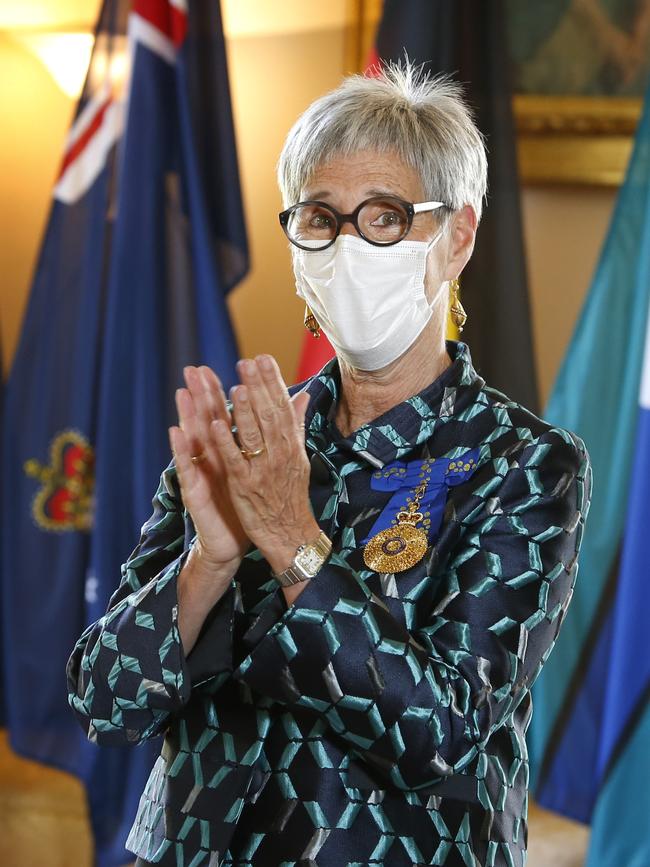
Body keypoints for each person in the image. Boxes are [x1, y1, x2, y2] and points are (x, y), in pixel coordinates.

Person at [66, 61, 593, 867]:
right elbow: (105, 703)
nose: (348, 246)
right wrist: (208, 563)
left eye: (384, 218)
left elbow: (438, 727)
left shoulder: (524, 465)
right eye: (320, 217)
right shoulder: (243, 439)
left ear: (456, 236)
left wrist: (290, 542)